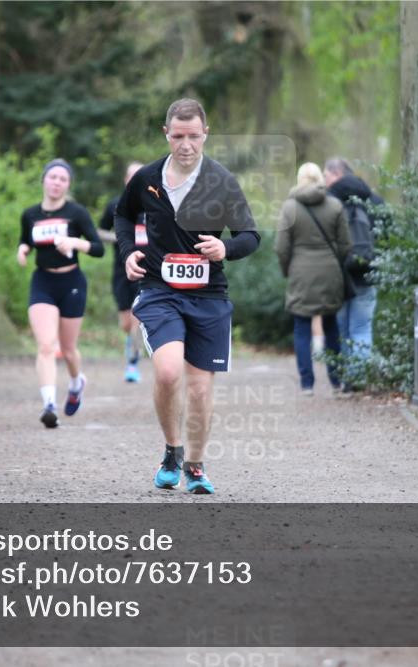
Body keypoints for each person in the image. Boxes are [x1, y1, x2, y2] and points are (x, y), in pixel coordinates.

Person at [114, 98, 260, 494]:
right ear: (167, 134)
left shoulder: (221, 181)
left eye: (194, 136)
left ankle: (194, 465)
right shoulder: (146, 178)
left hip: (209, 295)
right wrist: (128, 253)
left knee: (199, 386)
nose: (186, 144)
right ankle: (171, 451)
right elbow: (122, 215)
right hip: (160, 290)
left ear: (205, 134)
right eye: (178, 136)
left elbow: (250, 235)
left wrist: (225, 249)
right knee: (166, 371)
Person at [17, 158, 104, 428]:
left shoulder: (76, 213)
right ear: (44, 180)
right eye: (52, 177)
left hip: (72, 283)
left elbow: (99, 248)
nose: (56, 182)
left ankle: (77, 383)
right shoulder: (30, 214)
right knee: (45, 345)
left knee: (68, 350)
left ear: (68, 185)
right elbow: (26, 239)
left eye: (62, 179)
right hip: (42, 281)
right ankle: (49, 405)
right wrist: (23, 249)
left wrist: (76, 242)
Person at [275, 162, 351, 396]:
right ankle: (337, 382)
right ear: (320, 178)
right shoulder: (335, 205)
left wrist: (288, 270)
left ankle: (307, 384)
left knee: (301, 327)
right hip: (330, 272)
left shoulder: (289, 208)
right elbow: (345, 245)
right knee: (331, 327)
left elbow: (281, 247)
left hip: (300, 272)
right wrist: (333, 263)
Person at [324, 157, 385, 380]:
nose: (325, 180)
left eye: (326, 176)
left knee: (343, 330)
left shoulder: (328, 202)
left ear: (337, 174)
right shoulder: (374, 199)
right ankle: (358, 378)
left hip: (339, 274)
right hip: (368, 272)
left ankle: (348, 378)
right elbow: (387, 235)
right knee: (362, 328)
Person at [98, 161, 147, 383]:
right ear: (126, 180)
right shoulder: (115, 206)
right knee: (126, 323)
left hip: (147, 271)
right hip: (121, 270)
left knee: (137, 317)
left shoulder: (155, 205)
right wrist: (121, 238)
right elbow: (99, 231)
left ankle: (133, 364)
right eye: (132, 176)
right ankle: (134, 347)